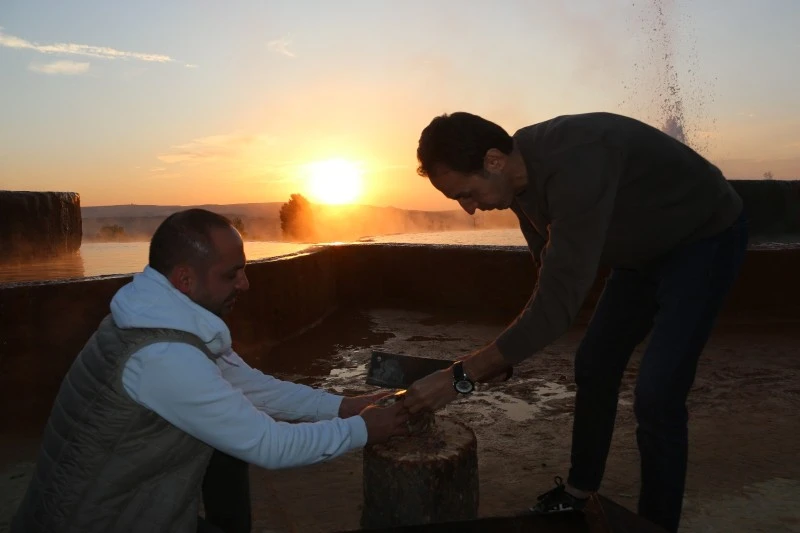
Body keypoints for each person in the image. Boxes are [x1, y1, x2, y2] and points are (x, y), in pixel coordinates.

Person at [403, 111, 747, 533]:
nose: (469, 209)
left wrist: (461, 376)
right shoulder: (516, 182)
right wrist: (503, 357)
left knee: (658, 396)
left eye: (467, 194)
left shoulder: (577, 161)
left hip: (702, 239)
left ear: (494, 160)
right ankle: (579, 492)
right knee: (594, 364)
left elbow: (558, 305)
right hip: (639, 256)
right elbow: (547, 274)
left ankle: (657, 525)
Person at [12, 208, 409, 533]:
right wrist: (364, 429)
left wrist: (342, 407)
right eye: (231, 274)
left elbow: (248, 386)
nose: (245, 284)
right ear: (185, 279)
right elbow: (268, 444)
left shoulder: (160, 314)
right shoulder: (162, 355)